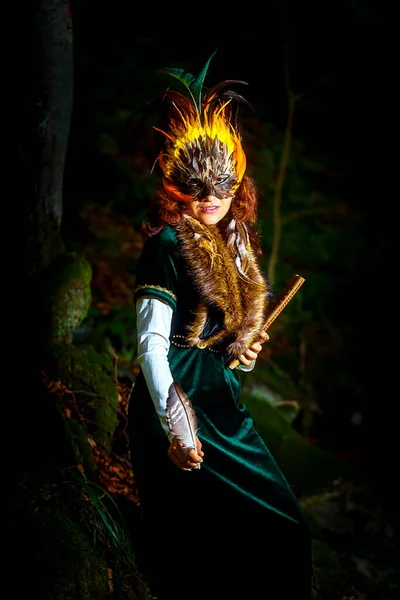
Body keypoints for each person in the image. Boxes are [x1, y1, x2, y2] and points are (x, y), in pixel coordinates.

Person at [128, 54, 313, 600]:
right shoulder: (165, 244)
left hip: (222, 403)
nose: (210, 197)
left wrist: (244, 352)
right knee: (200, 554)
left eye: (221, 188)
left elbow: (227, 342)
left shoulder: (235, 243)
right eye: (198, 188)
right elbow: (152, 349)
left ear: (237, 186)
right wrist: (178, 433)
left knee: (277, 534)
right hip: (181, 409)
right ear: (178, 184)